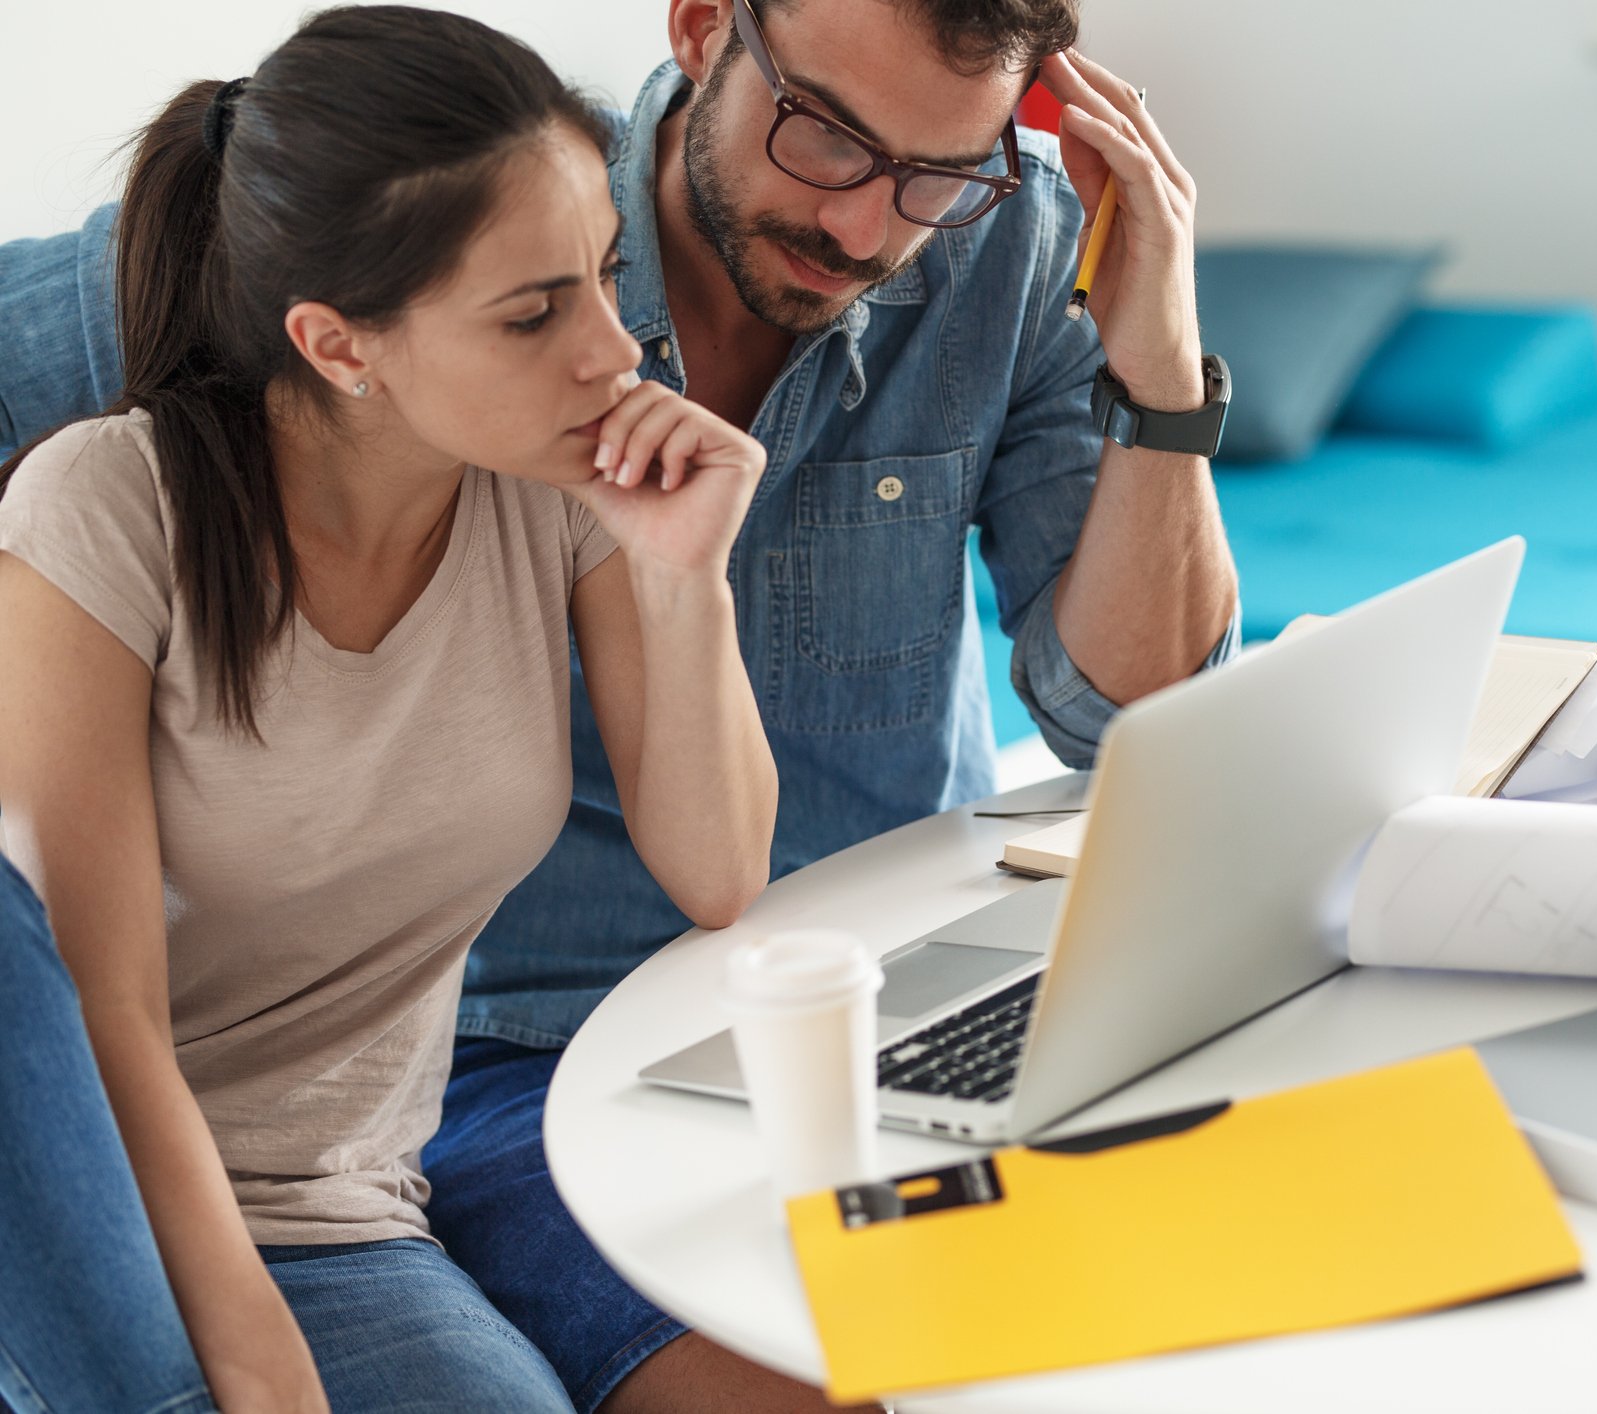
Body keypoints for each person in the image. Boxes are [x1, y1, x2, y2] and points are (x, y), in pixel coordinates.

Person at [0, 0, 1241, 1408]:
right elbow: (96, 1008)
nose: (866, 228)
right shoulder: (150, 462)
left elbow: (749, 863)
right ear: (707, 30)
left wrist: (687, 575)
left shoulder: (575, 467)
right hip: (334, 1117)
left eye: (938, 174)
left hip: (691, 1053)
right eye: (827, 134)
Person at [0, 6, 779, 1412]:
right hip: (68, 1213)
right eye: (535, 311)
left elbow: (718, 871)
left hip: (333, 1211)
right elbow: (100, 1011)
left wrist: (690, 580)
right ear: (338, 344)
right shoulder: (105, 505)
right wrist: (259, 1375)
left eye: (606, 277)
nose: (616, 353)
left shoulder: (557, 491)